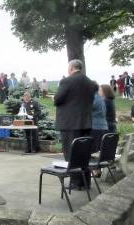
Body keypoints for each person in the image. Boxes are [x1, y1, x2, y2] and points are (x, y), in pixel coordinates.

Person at [54, 59, 96, 189]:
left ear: (71, 68)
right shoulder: (90, 83)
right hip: (86, 122)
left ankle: (75, 182)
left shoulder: (67, 81)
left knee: (71, 153)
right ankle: (85, 182)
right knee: (84, 153)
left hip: (70, 123)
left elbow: (57, 99)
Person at [91, 85, 108, 153]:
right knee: (100, 148)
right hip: (103, 126)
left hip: (95, 126)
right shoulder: (101, 98)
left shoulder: (93, 98)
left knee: (94, 149)